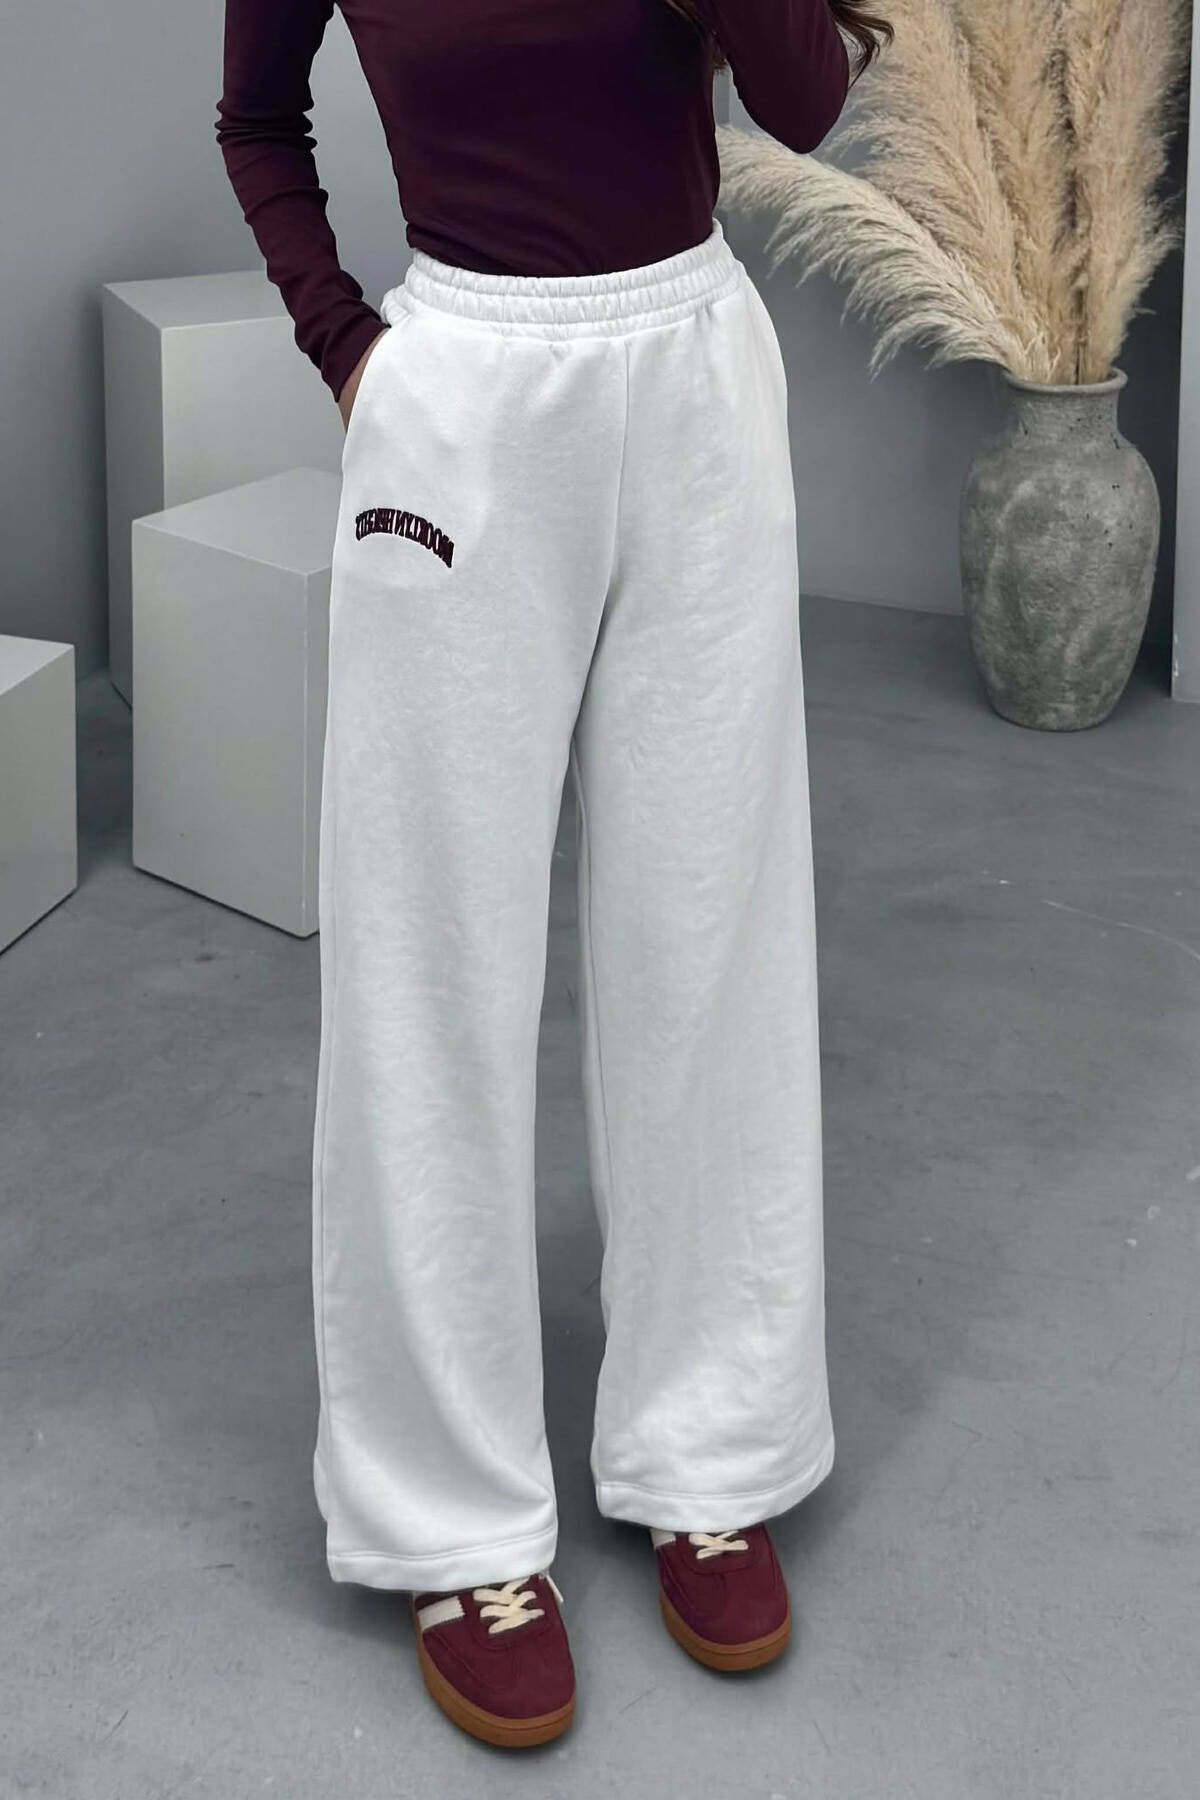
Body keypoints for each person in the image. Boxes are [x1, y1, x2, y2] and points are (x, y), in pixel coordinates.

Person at [214, 0, 888, 1750]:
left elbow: (805, 101)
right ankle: (454, 1523)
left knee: (709, 937)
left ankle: (707, 1453)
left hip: (695, 375)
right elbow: (257, 117)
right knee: (426, 963)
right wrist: (351, 352)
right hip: (465, 399)